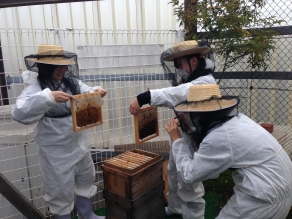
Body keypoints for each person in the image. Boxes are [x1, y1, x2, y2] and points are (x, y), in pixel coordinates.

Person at [165, 84, 292, 219]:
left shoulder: (220, 136)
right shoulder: (237, 120)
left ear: (200, 114)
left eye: (190, 114)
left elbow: (189, 175)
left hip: (266, 196)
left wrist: (177, 139)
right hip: (280, 183)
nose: (187, 118)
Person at [11, 44, 107, 219]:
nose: (62, 69)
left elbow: (87, 92)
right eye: (56, 65)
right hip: (55, 152)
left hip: (80, 145)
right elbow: (19, 113)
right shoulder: (35, 89)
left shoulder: (72, 83)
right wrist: (48, 98)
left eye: (63, 65)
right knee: (59, 190)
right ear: (44, 67)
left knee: (85, 179)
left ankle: (87, 214)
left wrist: (97, 92)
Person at [129, 40, 216, 219]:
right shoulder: (192, 78)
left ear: (193, 61)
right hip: (184, 133)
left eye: (180, 64)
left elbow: (178, 94)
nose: (178, 69)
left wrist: (144, 97)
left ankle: (194, 216)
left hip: (197, 138)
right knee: (174, 173)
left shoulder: (204, 82)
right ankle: (176, 209)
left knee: (189, 182)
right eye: (175, 64)